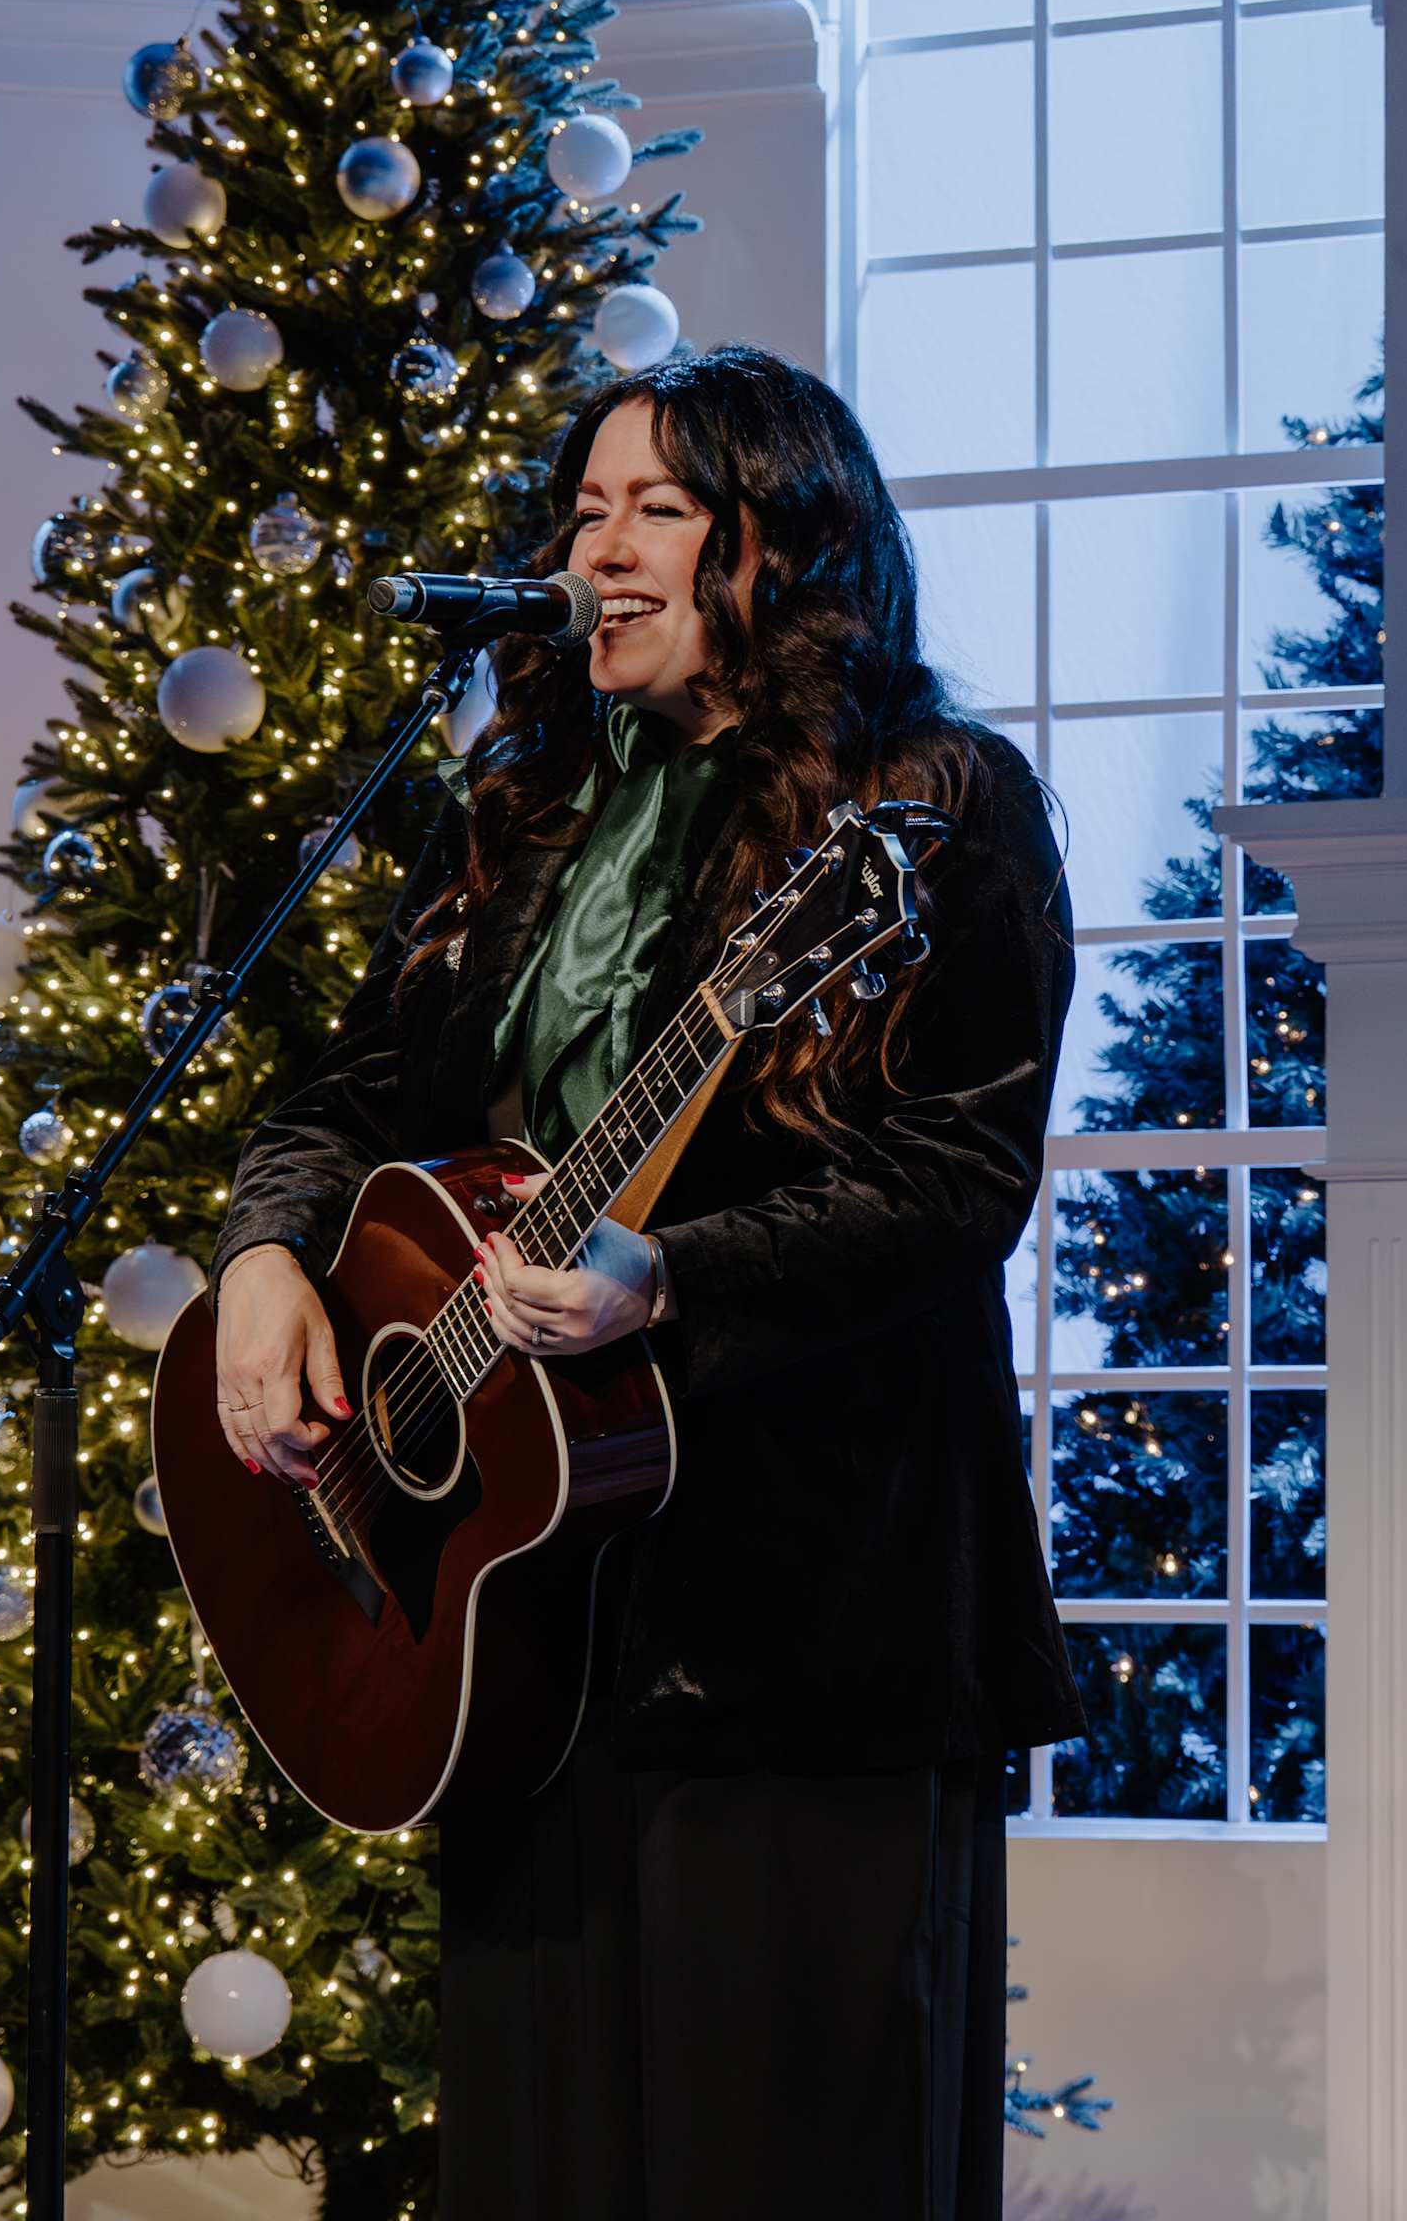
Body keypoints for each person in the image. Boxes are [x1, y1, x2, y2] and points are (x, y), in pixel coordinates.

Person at [207, 346, 1083, 2218]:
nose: (597, 550)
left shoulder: (930, 805)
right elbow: (358, 1091)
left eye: (657, 511)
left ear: (783, 546)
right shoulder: (529, 818)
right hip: (525, 1635)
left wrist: (664, 1277)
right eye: (586, 509)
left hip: (804, 1635)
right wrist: (270, 1249)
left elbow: (959, 1173)